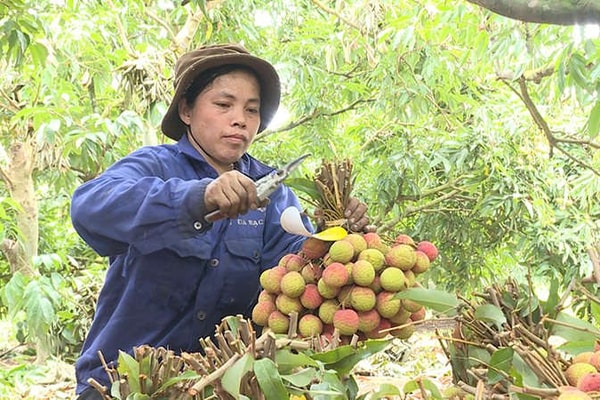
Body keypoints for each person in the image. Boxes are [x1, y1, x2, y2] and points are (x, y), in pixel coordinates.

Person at [70, 43, 369, 399]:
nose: (240, 119)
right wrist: (198, 198)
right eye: (223, 105)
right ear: (186, 110)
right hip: (121, 383)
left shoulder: (273, 192)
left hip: (225, 386)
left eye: (251, 109)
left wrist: (336, 237)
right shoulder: (154, 166)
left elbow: (292, 272)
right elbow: (90, 205)